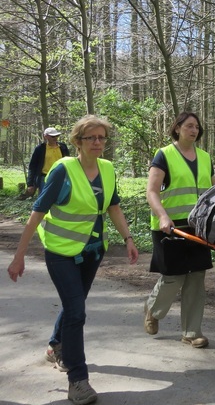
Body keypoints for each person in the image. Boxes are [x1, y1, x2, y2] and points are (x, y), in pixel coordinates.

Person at [7, 115, 139, 405]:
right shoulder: (63, 169)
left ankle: (56, 346)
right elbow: (38, 211)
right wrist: (19, 255)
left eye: (101, 137)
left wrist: (128, 238)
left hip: (92, 249)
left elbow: (113, 206)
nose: (97, 142)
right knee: (77, 311)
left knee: (73, 304)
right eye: (90, 137)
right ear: (77, 141)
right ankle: (78, 381)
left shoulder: (107, 168)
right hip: (60, 251)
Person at [144, 112, 214, 348]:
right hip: (170, 227)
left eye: (197, 126)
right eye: (188, 126)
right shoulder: (164, 155)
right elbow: (152, 191)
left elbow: (212, 192)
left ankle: (192, 332)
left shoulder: (205, 157)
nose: (194, 130)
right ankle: (153, 310)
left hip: (198, 227)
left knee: (196, 278)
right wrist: (162, 216)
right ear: (177, 128)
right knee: (173, 278)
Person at [25, 127, 70, 197]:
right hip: (45, 178)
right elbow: (32, 166)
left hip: (61, 178)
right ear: (46, 136)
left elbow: (68, 162)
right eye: (52, 136)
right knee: (44, 198)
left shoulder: (63, 147)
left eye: (57, 136)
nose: (55, 138)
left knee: (60, 198)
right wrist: (30, 184)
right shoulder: (40, 149)